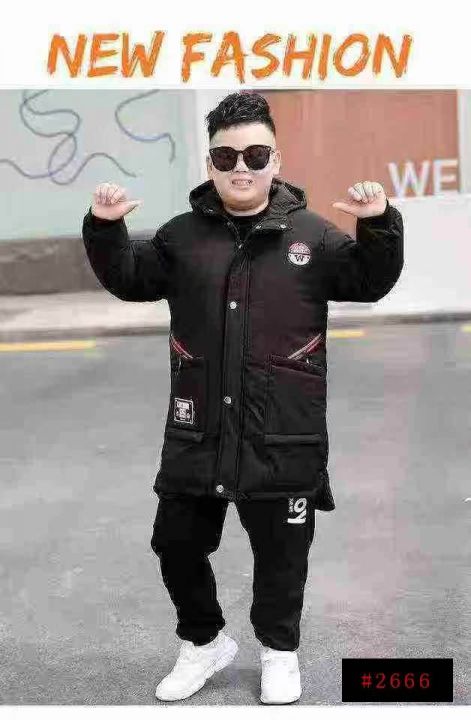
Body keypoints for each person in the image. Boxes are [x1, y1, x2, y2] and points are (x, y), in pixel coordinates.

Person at [81, 91, 404, 704]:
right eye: (226, 156)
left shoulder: (313, 236)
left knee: (282, 559)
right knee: (175, 543)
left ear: (275, 160)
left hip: (283, 430)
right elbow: (130, 277)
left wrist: (379, 222)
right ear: (210, 163)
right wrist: (104, 227)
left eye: (256, 154)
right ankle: (203, 643)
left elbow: (370, 280)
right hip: (198, 428)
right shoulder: (181, 238)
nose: (241, 167)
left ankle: (280, 652)